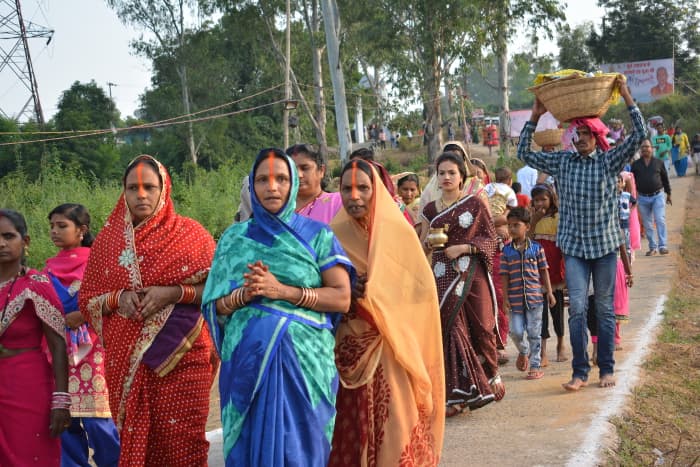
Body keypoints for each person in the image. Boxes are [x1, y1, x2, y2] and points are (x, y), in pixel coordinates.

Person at [202, 148, 353, 466]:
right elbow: (213, 308)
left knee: (302, 450)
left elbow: (341, 297)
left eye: (281, 179)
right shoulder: (233, 239)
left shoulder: (317, 235)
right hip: (246, 363)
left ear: (293, 184)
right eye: (263, 180)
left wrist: (281, 291)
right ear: (251, 187)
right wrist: (244, 295)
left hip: (306, 364)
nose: (272, 187)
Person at [80, 155, 217, 466]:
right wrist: (118, 299)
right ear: (123, 192)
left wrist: (173, 293)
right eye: (133, 187)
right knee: (139, 444)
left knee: (185, 443)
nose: (141, 194)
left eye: (150, 187)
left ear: (164, 189)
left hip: (183, 357)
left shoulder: (190, 235)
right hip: (128, 364)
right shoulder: (108, 244)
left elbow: (219, 291)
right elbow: (88, 299)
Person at [517, 77, 645, 391]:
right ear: (572, 137)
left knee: (602, 308)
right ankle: (579, 372)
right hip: (574, 248)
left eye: (588, 133)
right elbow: (524, 152)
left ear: (596, 136)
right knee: (576, 309)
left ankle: (606, 369)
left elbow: (641, 134)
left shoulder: (609, 160)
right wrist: (535, 115)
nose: (583, 138)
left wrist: (626, 94)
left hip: (603, 248)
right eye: (579, 133)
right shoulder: (563, 162)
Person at [329, 159, 445, 465]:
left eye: (363, 188)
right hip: (347, 345)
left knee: (395, 419)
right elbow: (319, 287)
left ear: (376, 191)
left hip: (392, 345)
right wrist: (344, 290)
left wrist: (382, 294)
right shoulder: (330, 237)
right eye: (346, 188)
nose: (354, 196)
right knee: (348, 422)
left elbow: (420, 290)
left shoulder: (398, 233)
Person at [420, 152, 505, 414]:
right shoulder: (430, 210)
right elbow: (422, 243)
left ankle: (489, 375)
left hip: (472, 273)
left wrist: (465, 247)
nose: (446, 177)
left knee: (482, 327)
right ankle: (459, 394)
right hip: (442, 275)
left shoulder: (475, 204)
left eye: (451, 173)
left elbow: (491, 241)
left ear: (461, 177)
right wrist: (429, 243)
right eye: (441, 173)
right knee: (451, 328)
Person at [44, 204, 120, 466]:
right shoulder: (48, 269)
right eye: (52, 226)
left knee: (99, 422)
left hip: (95, 353)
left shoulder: (100, 263)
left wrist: (85, 314)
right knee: (65, 423)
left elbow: (117, 300)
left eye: (62, 226)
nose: (55, 231)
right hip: (58, 352)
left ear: (82, 230)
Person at [0, 209, 70, 466]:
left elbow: (58, 345)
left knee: (28, 454)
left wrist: (61, 400)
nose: (1, 243)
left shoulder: (35, 284)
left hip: (27, 385)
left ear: (25, 241)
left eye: (8, 236)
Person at [500, 207, 555, 380]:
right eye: (510, 225)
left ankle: (535, 365)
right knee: (515, 331)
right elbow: (504, 276)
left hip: (535, 298)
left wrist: (550, 293)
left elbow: (544, 271)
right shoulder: (506, 251)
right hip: (515, 300)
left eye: (517, 225)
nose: (512, 229)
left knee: (534, 332)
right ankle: (524, 351)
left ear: (527, 227)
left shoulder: (537, 249)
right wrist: (505, 298)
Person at [529, 184, 567, 365]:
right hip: (536, 271)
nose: (540, 203)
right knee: (539, 313)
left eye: (543, 199)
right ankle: (542, 350)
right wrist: (534, 222)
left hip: (555, 268)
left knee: (557, 310)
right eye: (536, 200)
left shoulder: (559, 217)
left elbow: (563, 246)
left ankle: (560, 343)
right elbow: (525, 241)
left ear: (551, 199)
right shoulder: (530, 218)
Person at [630, 139, 672, 256]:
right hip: (643, 198)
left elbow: (665, 179)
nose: (645, 149)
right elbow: (632, 182)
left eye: (647, 147)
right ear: (640, 150)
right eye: (643, 147)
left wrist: (668, 194)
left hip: (657, 195)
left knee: (660, 220)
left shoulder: (658, 162)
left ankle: (663, 246)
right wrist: (632, 197)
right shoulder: (636, 165)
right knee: (647, 224)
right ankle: (652, 247)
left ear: (651, 148)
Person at [286, 143, 343, 224]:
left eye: (305, 168)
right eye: (292, 169)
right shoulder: (278, 207)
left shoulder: (338, 202)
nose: (298, 175)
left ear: (321, 171)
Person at [617, 175, 637, 255]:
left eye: (619, 182)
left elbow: (635, 202)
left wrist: (630, 210)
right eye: (615, 182)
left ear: (623, 183)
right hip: (615, 222)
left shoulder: (627, 195)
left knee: (626, 238)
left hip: (624, 220)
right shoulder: (611, 196)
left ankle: (628, 255)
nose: (617, 184)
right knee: (618, 240)